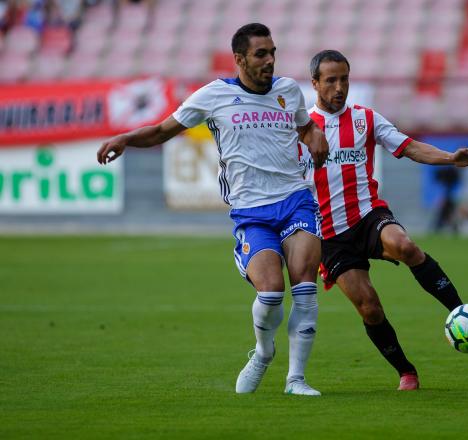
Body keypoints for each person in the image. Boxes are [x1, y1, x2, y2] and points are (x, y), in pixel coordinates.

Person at [97, 23, 329, 396]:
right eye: (261, 54)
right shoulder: (213, 96)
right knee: (270, 292)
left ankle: (296, 380)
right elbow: (161, 131)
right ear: (239, 59)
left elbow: (304, 128)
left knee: (304, 285)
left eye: (273, 52)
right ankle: (262, 351)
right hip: (251, 211)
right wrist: (125, 137)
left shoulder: (288, 91)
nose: (270, 60)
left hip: (295, 199)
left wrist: (314, 134)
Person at [303, 50, 468, 390]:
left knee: (404, 245)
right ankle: (406, 371)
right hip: (330, 234)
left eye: (344, 79)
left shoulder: (365, 119)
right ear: (315, 83)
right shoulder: (301, 129)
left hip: (368, 214)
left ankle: (465, 313)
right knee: (369, 307)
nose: (339, 87)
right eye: (331, 80)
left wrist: (451, 158)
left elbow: (409, 147)